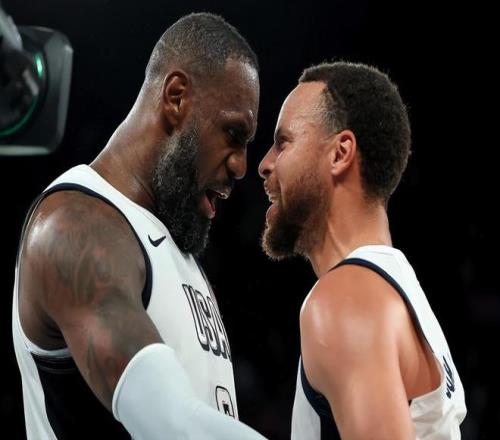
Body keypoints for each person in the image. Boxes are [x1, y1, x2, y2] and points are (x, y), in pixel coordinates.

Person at [12, 12, 267, 440]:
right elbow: (169, 422)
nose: (242, 166)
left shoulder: (170, 244)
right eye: (233, 133)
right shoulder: (73, 226)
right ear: (176, 97)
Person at [258, 61, 466, 439]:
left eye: (283, 142)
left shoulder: (345, 299)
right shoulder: (394, 288)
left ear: (340, 153)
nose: (265, 164)